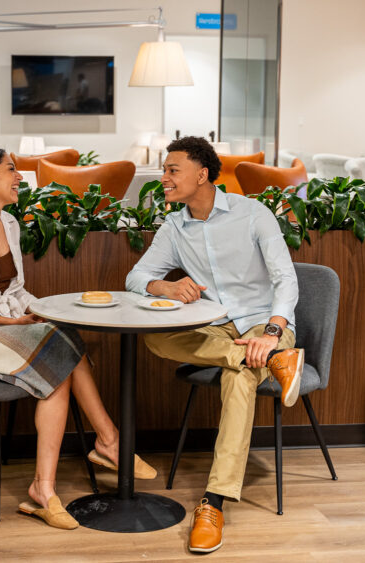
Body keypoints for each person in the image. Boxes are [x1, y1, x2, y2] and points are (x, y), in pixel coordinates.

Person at [0, 145, 156, 530]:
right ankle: (106, 444)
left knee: (61, 339)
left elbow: (17, 291)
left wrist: (44, 311)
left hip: (3, 329)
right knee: (60, 354)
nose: (20, 177)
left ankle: (47, 487)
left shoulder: (10, 225)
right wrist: (11, 323)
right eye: (11, 170)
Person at [125, 136, 302, 554]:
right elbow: (136, 278)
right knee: (153, 338)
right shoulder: (174, 226)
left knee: (239, 380)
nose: (163, 178)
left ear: (201, 175)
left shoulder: (252, 213)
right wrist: (164, 285)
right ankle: (275, 362)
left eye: (172, 170)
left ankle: (214, 503)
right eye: (165, 170)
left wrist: (272, 334)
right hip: (217, 329)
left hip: (266, 324)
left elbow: (286, 280)